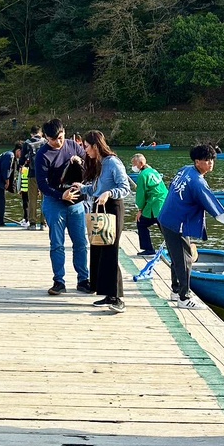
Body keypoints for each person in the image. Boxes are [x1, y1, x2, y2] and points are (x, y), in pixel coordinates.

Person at [158, 144, 224, 309]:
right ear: (197, 162)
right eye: (206, 160)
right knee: (185, 260)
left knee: (177, 257)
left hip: (166, 218)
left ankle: (176, 291)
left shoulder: (185, 170)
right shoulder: (198, 182)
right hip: (177, 223)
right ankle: (184, 298)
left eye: (212, 159)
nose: (211, 163)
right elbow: (214, 208)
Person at [68, 131, 130, 314]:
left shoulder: (112, 162)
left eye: (86, 146)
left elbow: (124, 187)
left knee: (110, 251)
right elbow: (97, 188)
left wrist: (109, 193)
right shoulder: (100, 163)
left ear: (95, 145)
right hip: (100, 207)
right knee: (99, 250)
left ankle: (117, 298)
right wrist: (83, 188)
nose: (85, 150)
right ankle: (106, 293)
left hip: (112, 208)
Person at [34, 118, 90, 296]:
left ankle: (83, 279)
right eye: (53, 140)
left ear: (64, 132)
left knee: (80, 242)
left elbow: (89, 165)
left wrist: (80, 162)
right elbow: (42, 185)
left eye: (61, 137)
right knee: (57, 244)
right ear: (46, 139)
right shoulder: (42, 155)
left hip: (76, 203)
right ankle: (59, 281)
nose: (58, 142)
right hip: (54, 202)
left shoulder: (74, 145)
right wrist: (60, 195)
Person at [131, 154, 168, 255]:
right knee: (165, 227)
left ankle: (149, 249)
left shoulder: (143, 175)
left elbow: (141, 195)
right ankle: (173, 247)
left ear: (141, 163)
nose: (133, 167)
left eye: (134, 164)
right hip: (164, 201)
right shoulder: (153, 171)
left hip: (155, 203)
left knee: (141, 223)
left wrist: (140, 209)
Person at [21, 126, 45, 230]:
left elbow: (21, 160)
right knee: (45, 199)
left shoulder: (27, 143)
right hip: (44, 175)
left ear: (31, 134)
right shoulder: (45, 142)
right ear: (41, 133)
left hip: (32, 174)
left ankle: (32, 223)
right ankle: (43, 223)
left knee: (32, 199)